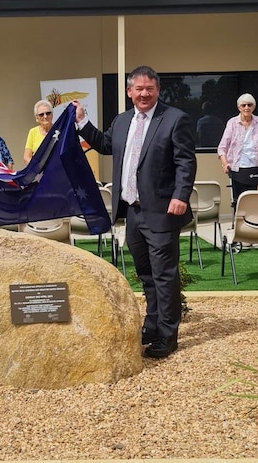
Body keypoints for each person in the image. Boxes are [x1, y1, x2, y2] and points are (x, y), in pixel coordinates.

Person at [74, 65, 195, 359]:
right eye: (138, 89)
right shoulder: (122, 120)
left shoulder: (174, 119)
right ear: (129, 92)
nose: (144, 94)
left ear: (157, 90)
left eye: (149, 89)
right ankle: (152, 325)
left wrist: (181, 195)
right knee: (146, 274)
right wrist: (81, 122)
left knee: (164, 275)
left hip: (163, 210)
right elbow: (104, 145)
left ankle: (168, 336)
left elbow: (185, 162)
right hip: (133, 211)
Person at [217, 93, 258, 203]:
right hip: (237, 167)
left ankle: (250, 220)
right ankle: (238, 219)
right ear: (239, 107)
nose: (247, 108)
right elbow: (222, 147)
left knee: (251, 198)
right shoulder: (232, 123)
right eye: (244, 105)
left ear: (253, 107)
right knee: (238, 199)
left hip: (254, 166)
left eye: (249, 105)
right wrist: (225, 163)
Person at [23, 100, 53, 165]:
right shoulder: (33, 132)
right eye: (41, 114)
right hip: (40, 172)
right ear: (37, 118)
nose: (45, 116)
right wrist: (36, 166)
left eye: (48, 113)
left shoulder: (59, 129)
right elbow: (26, 157)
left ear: (52, 115)